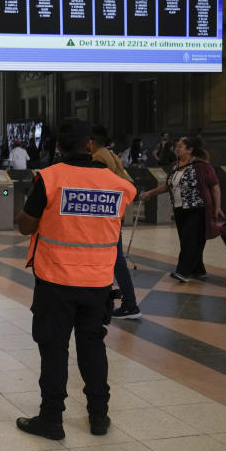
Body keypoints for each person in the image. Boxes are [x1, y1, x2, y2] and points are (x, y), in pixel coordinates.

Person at [14, 118, 136, 440]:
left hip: (55, 280)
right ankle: (99, 416)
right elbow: (121, 205)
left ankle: (51, 420)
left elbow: (26, 225)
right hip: (98, 283)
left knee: (54, 350)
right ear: (90, 145)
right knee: (92, 347)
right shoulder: (116, 184)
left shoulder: (50, 178)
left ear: (58, 147)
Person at [139, 136, 224, 282]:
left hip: (198, 209)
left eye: (180, 146)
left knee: (189, 240)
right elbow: (168, 186)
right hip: (179, 210)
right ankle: (198, 270)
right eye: (176, 146)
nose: (176, 149)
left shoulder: (201, 166)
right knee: (189, 241)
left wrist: (217, 207)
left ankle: (182, 272)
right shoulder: (176, 166)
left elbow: (215, 187)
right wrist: (150, 193)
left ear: (190, 150)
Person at [90, 126, 141, 320]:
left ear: (92, 142)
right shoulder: (113, 156)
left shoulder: (98, 159)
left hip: (106, 217)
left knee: (117, 260)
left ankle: (129, 304)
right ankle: (128, 303)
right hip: (115, 215)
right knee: (116, 259)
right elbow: (128, 183)